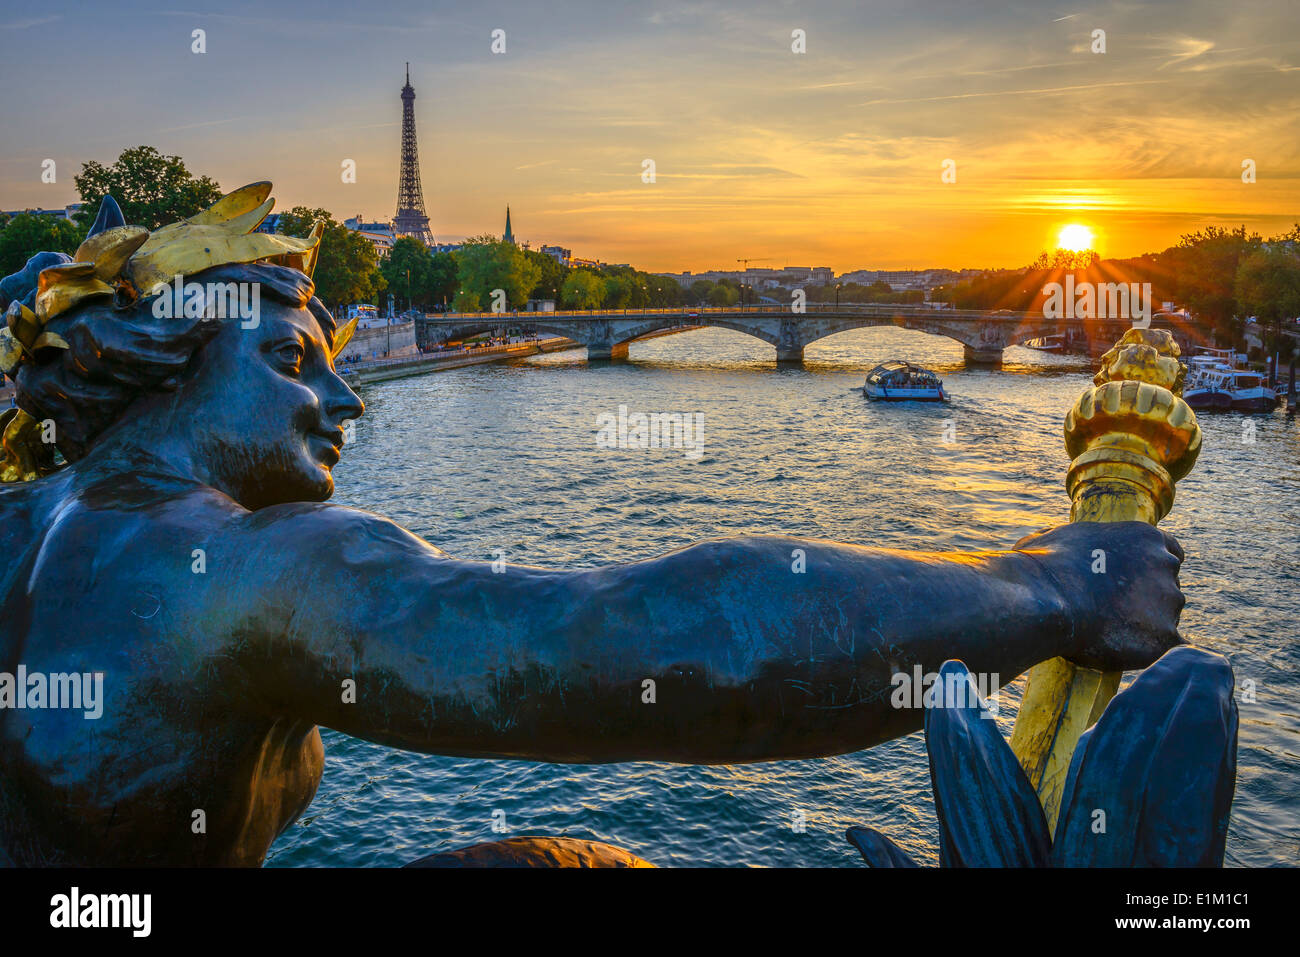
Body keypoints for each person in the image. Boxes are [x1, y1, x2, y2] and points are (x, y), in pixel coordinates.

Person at [0, 190, 1185, 865]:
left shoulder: (29, 526)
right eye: (292, 360)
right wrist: (1047, 589)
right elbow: (660, 642)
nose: (343, 399)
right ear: (169, 363)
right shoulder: (236, 571)